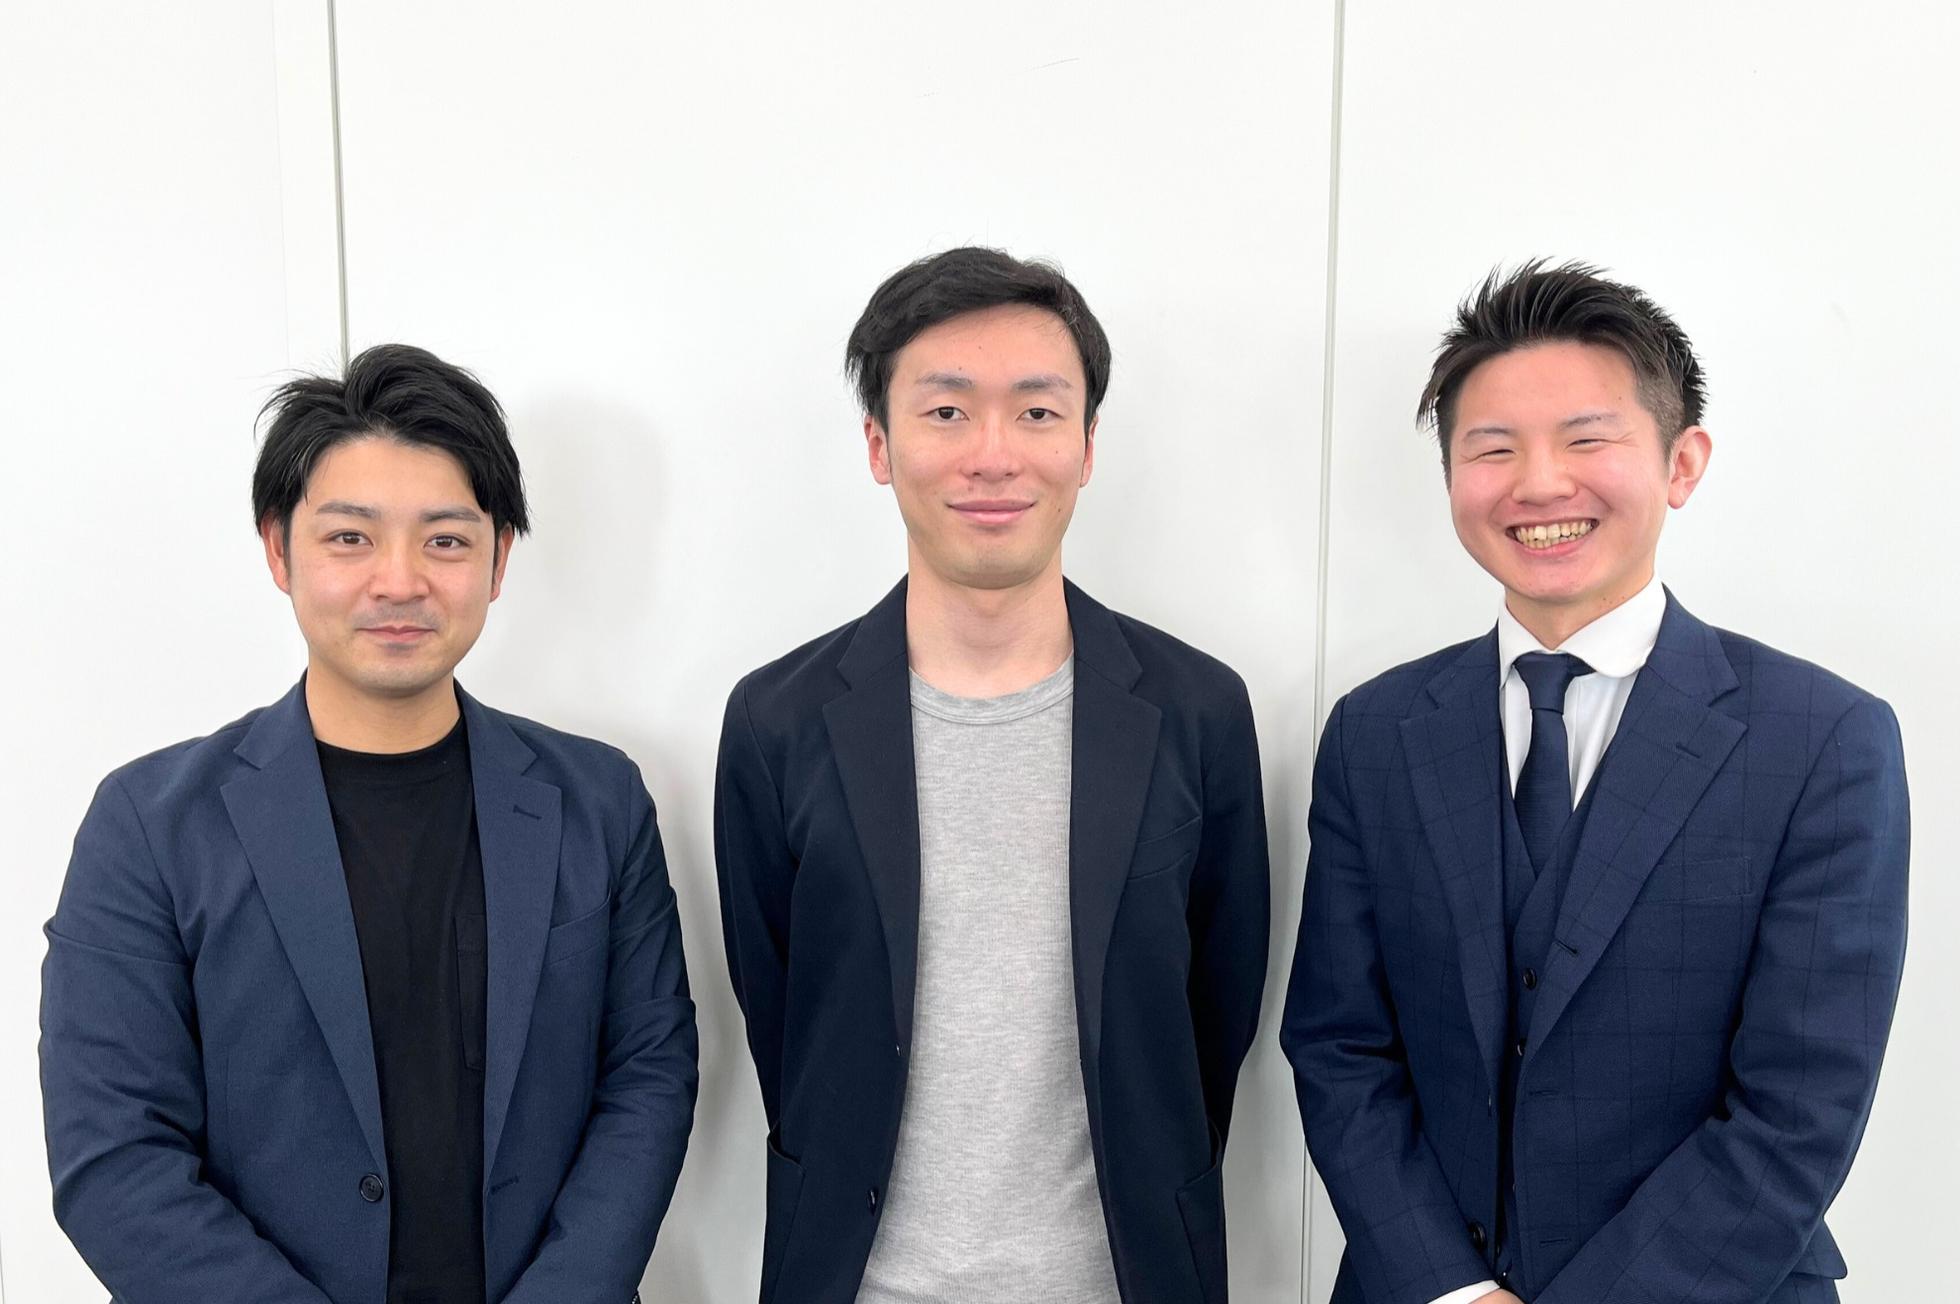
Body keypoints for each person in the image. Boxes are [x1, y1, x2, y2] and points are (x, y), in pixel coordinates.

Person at [1281, 262, 1909, 1304]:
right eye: (1493, 448)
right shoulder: (1376, 731)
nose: (1538, 485)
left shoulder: (1822, 739)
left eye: (1586, 440)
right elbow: (1339, 1044)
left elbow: (1802, 1105)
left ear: (1681, 462)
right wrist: (1451, 1287)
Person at [41, 344, 697, 1304]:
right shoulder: (149, 824)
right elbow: (113, 1156)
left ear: (498, 561)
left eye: (446, 541)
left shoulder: (597, 800)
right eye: (350, 538)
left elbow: (648, 1074)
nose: (399, 581)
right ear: (279, 551)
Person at [715, 247, 1270, 1304]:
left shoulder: (1197, 711)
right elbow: (786, 1015)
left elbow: (1213, 1015)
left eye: (1037, 412)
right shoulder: (777, 721)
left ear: (1087, 446)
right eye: (946, 412)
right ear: (879, 445)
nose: (993, 455)